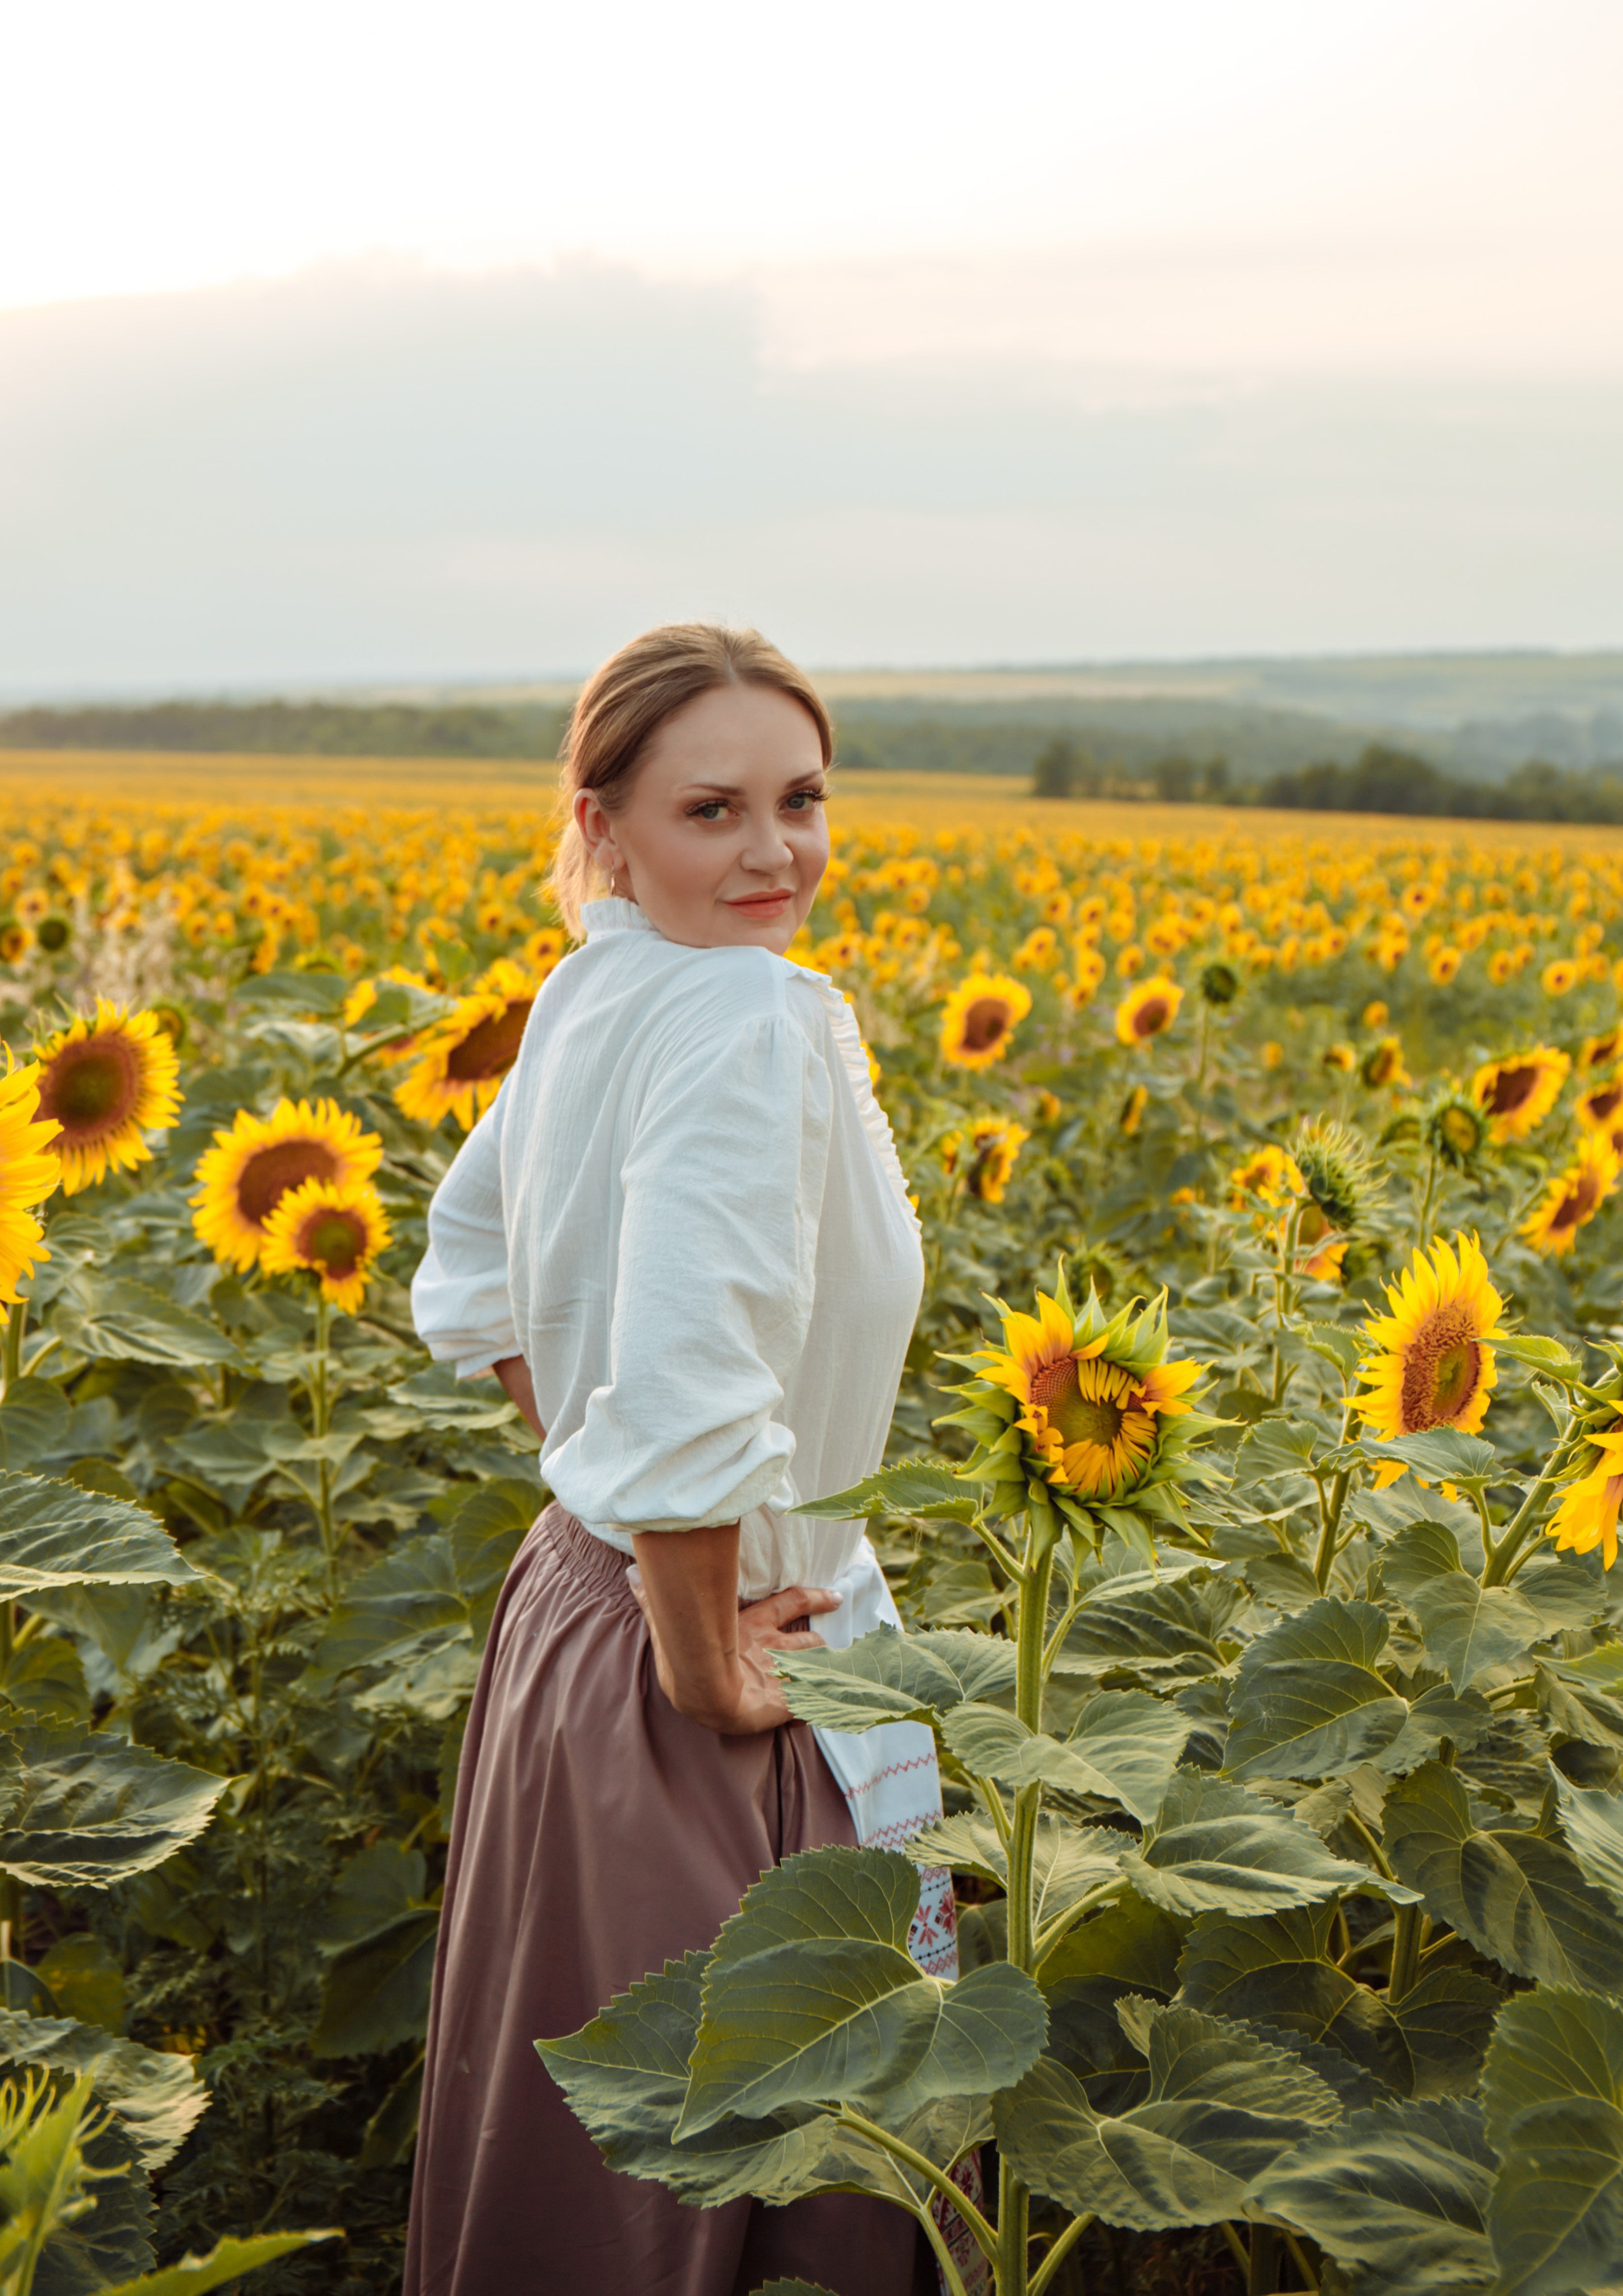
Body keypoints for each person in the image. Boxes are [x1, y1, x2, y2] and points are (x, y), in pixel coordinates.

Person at [403, 624, 960, 2296]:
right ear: (607, 823)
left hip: (578, 1621)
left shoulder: (595, 990)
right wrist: (708, 1658)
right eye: (713, 810)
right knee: (791, 2160)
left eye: (803, 798)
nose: (777, 851)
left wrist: (601, 1474)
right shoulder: (747, 1018)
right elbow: (696, 1378)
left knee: (590, 2151)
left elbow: (475, 1280)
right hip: (718, 1653)